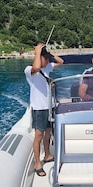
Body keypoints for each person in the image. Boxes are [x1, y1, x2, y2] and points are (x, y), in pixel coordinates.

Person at [24, 43, 64, 176]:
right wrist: (37, 52)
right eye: (45, 58)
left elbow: (61, 61)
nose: (48, 61)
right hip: (39, 108)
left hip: (49, 106)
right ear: (38, 58)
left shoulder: (47, 68)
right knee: (38, 136)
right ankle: (37, 163)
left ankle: (47, 155)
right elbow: (36, 66)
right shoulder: (30, 70)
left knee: (48, 133)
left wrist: (49, 53)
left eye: (47, 59)